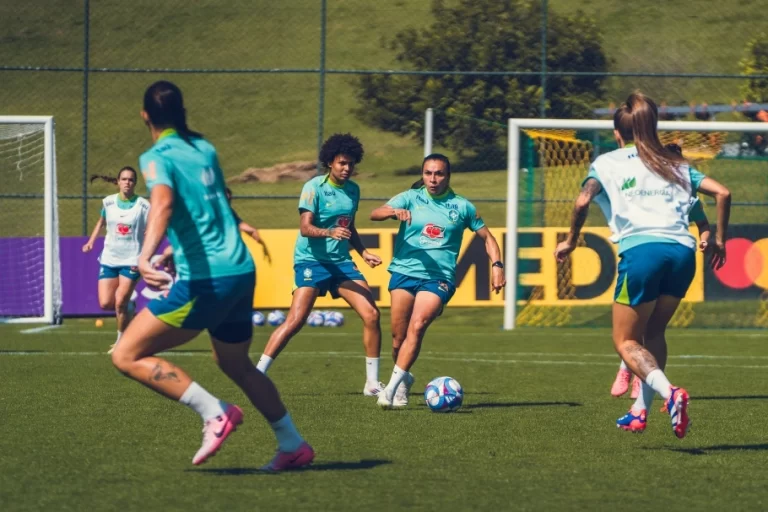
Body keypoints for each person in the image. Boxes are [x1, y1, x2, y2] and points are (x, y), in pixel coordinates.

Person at [111, 80, 313, 470]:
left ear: (145, 115)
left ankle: (214, 413)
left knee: (125, 353)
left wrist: (145, 256)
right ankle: (292, 443)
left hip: (207, 279)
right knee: (234, 363)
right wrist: (174, 249)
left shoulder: (155, 156)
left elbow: (164, 204)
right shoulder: (204, 148)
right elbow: (214, 208)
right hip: (240, 270)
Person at [555, 91, 731, 438]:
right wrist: (719, 241)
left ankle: (671, 394)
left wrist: (571, 241)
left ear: (618, 133)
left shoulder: (607, 163)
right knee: (655, 333)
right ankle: (640, 411)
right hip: (682, 254)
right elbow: (723, 193)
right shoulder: (675, 163)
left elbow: (581, 202)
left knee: (625, 341)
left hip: (643, 253)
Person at [370, 153, 505, 409]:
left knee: (417, 326)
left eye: (439, 173)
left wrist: (497, 265)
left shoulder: (462, 206)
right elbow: (375, 213)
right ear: (422, 175)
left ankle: (389, 391)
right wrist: (392, 211)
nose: (433, 179)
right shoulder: (410, 198)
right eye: (428, 173)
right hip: (403, 272)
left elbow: (487, 238)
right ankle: (403, 379)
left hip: (438, 278)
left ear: (448, 176)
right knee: (398, 338)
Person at [255, 133, 385, 397]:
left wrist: (363, 252)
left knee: (372, 315)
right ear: (330, 162)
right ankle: (257, 374)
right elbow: (305, 228)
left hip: (341, 263)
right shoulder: (314, 187)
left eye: (350, 164)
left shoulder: (353, 190)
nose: (347, 169)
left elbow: (350, 227)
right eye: (342, 163)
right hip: (311, 261)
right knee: (295, 320)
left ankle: (372, 383)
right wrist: (329, 233)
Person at [609, 143, 711, 400]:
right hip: (649, 254)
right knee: (638, 324)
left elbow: (703, 223)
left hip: (676, 256)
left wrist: (707, 238)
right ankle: (627, 368)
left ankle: (643, 382)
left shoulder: (688, 195)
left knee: (651, 324)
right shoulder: (652, 191)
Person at [83, 167, 149, 354]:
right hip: (110, 258)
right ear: (118, 181)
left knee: (119, 301)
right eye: (124, 179)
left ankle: (121, 341)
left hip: (132, 260)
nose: (127, 182)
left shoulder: (143, 206)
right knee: (105, 303)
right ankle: (130, 306)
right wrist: (90, 242)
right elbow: (101, 222)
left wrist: (148, 241)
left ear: (135, 183)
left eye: (131, 180)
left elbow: (153, 226)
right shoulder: (108, 202)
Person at [225, 187, 271, 263]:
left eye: (229, 199)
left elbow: (240, 224)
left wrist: (253, 231)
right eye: (227, 199)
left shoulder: (229, 211)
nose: (229, 201)